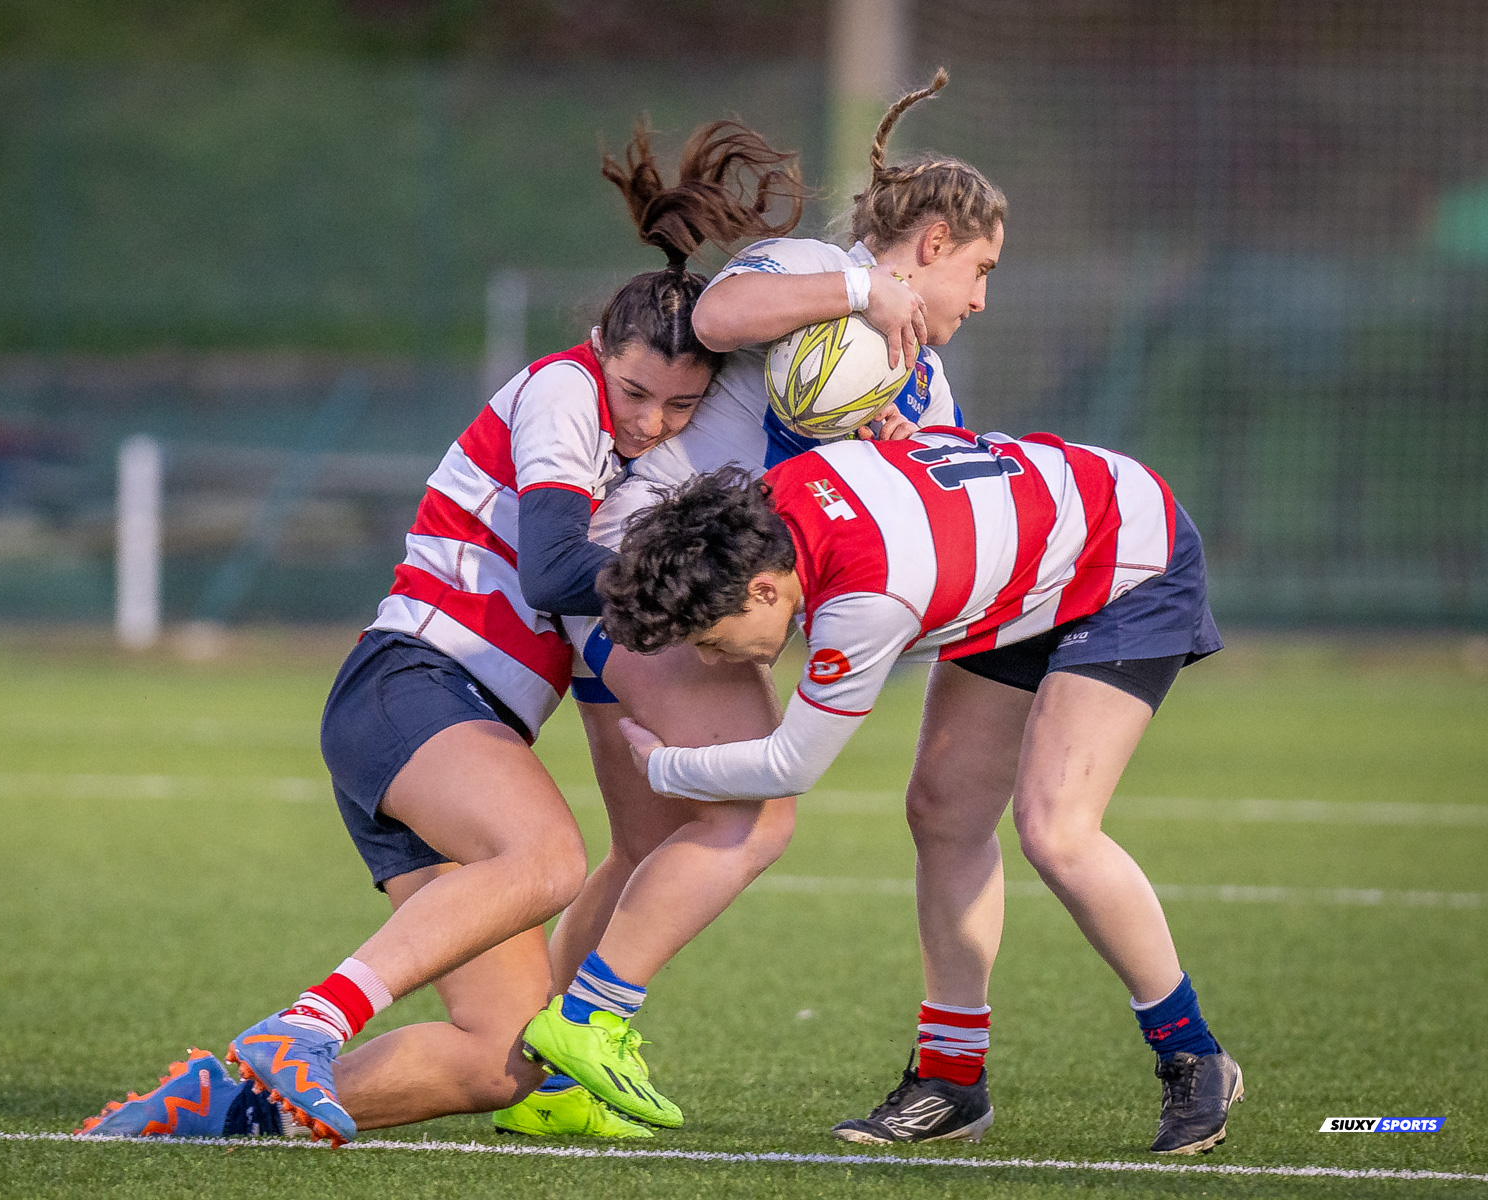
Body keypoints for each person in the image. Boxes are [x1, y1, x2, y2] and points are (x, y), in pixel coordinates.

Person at [76, 119, 805, 1144]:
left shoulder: (629, 454)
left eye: (680, 407)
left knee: (500, 1061)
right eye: (637, 391)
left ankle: (218, 1113)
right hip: (412, 687)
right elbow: (554, 568)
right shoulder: (564, 390)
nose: (650, 421)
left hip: (455, 734)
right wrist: (695, 599)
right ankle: (306, 1026)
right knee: (549, 855)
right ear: (603, 349)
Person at [509, 68, 1005, 1133]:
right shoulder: (818, 273)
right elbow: (725, 308)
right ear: (928, 247)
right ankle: (591, 1024)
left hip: (679, 600)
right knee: (758, 814)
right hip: (642, 569)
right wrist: (860, 295)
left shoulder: (926, 390)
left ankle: (544, 1083)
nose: (980, 296)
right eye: (979, 268)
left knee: (648, 851)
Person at [596, 431, 1242, 1156]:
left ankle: (1192, 1054)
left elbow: (790, 765)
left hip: (1123, 557)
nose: (711, 660)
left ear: (764, 589)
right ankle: (951, 1080)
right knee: (944, 811)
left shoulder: (866, 600)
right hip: (1031, 554)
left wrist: (663, 768)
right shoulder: (776, 507)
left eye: (713, 640)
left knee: (1057, 828)